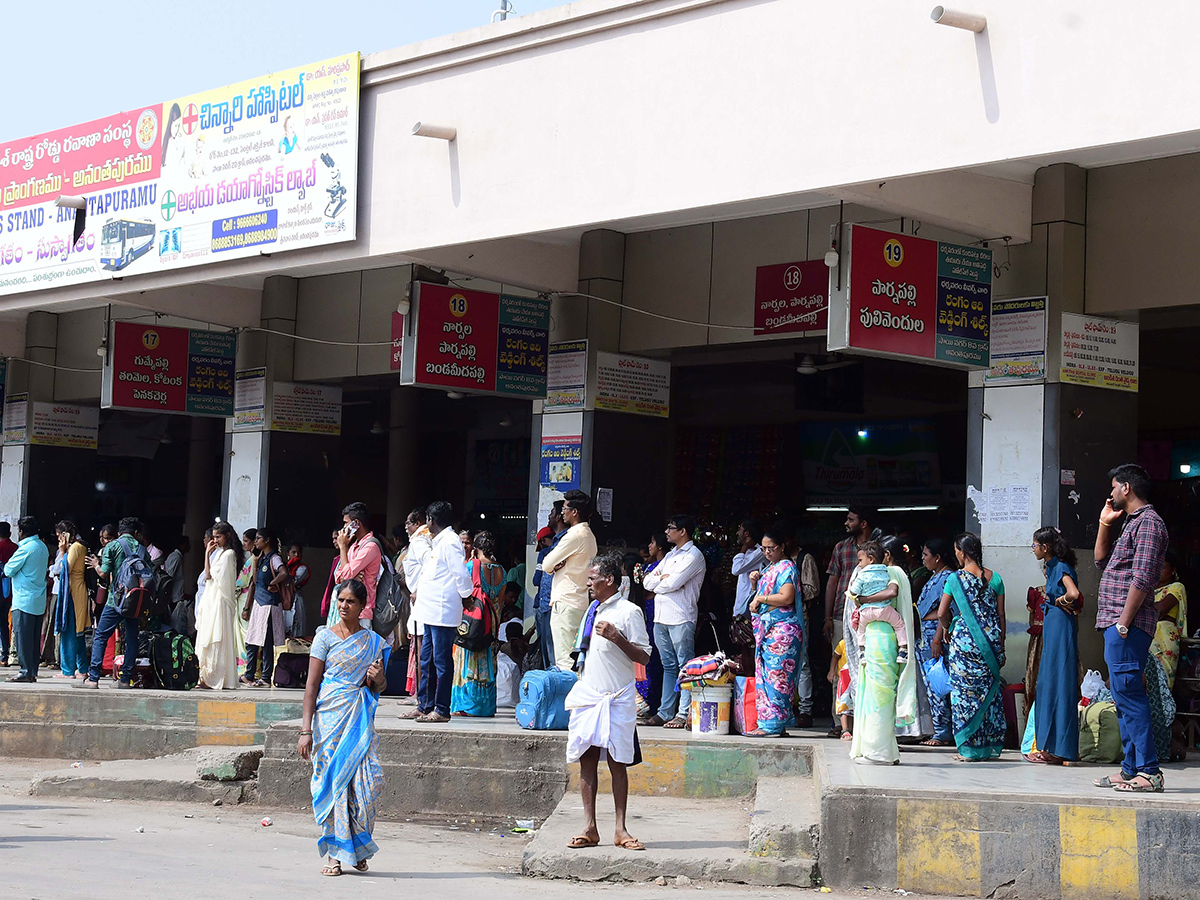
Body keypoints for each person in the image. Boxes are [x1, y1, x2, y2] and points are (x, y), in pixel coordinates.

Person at [297, 578, 389, 877]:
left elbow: (382, 686)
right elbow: (312, 686)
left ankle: (358, 849)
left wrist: (377, 678)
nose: (344, 606)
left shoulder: (373, 642)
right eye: (340, 600)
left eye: (350, 601)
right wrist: (305, 730)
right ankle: (335, 856)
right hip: (330, 720)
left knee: (367, 785)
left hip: (359, 721)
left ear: (363, 606)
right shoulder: (324, 637)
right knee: (334, 785)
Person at [564, 553, 650, 852]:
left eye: (592, 578)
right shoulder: (593, 609)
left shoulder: (629, 612)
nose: (588, 583)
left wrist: (618, 638)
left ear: (609, 580)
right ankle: (589, 827)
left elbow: (645, 656)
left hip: (616, 696)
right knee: (586, 761)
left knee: (618, 763)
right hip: (589, 693)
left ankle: (620, 829)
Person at [1092, 463, 1170, 794]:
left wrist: (1123, 623)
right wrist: (1103, 524)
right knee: (1122, 696)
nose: (1110, 494)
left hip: (1128, 623)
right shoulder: (1129, 524)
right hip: (1115, 621)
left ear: (1126, 488)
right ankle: (1129, 769)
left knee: (1131, 696)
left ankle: (1150, 771)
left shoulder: (1149, 524)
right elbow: (1100, 560)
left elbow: (1143, 578)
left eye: (1113, 487)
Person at [933, 533, 1006, 762]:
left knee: (965, 695)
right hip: (991, 644)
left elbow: (942, 613)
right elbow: (1000, 615)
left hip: (965, 643)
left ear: (962, 552)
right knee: (989, 695)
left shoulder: (955, 579)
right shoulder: (996, 578)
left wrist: (946, 628)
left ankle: (968, 750)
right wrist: (1000, 642)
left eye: (956, 550)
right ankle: (988, 746)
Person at [849, 535, 918, 764]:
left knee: (878, 695)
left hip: (879, 639)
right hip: (886, 638)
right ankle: (888, 750)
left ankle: (878, 753)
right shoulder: (897, 575)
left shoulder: (892, 573)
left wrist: (864, 599)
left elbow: (884, 596)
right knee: (883, 693)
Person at [403, 501, 471, 723]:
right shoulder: (439, 541)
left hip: (442, 610)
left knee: (441, 662)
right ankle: (425, 705)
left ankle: (442, 709)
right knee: (427, 661)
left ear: (432, 520)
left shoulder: (450, 541)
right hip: (429, 609)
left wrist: (466, 595)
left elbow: (460, 574)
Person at [641, 513, 706, 729]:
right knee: (669, 665)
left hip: (681, 616)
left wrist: (661, 581)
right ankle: (665, 712)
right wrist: (662, 580)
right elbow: (647, 581)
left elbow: (674, 583)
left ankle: (683, 712)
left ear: (683, 531)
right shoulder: (670, 555)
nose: (667, 532)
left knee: (684, 666)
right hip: (661, 616)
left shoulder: (693, 555)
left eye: (671, 528)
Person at [1027, 526, 1081, 764]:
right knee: (1050, 683)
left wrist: (1060, 600)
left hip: (1060, 625)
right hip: (1055, 625)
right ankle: (1052, 747)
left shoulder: (1060, 566)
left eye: (1035, 545)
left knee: (1057, 683)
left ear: (1045, 547)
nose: (1033, 549)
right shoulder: (1052, 566)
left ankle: (1056, 749)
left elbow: (1074, 593)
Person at [744, 525, 802, 737]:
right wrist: (754, 586)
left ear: (782, 547)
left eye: (772, 548)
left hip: (782, 631)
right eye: (764, 548)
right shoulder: (770, 569)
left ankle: (772, 725)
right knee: (769, 676)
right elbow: (761, 600)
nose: (767, 552)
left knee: (778, 677)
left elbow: (786, 597)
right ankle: (776, 723)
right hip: (769, 631)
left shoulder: (787, 567)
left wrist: (760, 597)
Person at [77, 518, 145, 689]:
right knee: (132, 638)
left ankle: (93, 678)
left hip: (115, 600)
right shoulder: (142, 548)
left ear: (120, 532)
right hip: (135, 600)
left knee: (100, 636)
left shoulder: (112, 546)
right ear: (136, 533)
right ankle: (125, 679)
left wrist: (96, 564)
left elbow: (104, 574)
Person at [825, 506, 875, 737]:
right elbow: (832, 583)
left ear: (863, 523)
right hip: (840, 615)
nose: (846, 523)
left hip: (871, 617)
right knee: (842, 668)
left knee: (869, 666)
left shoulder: (878, 548)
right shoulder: (841, 548)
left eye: (850, 519)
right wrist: (827, 616)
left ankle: (867, 719)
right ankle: (841, 722)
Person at [540, 490, 598, 670]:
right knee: (577, 659)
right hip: (579, 600)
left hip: (566, 601)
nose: (562, 512)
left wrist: (557, 565)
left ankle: (567, 698)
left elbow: (547, 564)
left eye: (565, 508)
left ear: (575, 512)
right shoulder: (589, 535)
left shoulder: (574, 535)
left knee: (564, 661)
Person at [451, 530, 505, 717]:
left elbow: (461, 591)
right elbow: (500, 601)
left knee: (467, 659)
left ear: (475, 549)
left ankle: (467, 706)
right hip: (491, 622)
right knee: (488, 663)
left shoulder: (472, 565)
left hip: (473, 621)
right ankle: (486, 706)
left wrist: (470, 561)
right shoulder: (501, 570)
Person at [914, 539, 957, 747]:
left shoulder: (947, 577)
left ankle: (942, 731)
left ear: (937, 557)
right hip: (926, 637)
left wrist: (938, 638)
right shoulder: (935, 577)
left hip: (934, 638)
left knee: (937, 682)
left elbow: (945, 611)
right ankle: (938, 729)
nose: (922, 559)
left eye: (925, 555)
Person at [197, 523, 243, 690]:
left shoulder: (229, 554)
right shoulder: (218, 553)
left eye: (219, 537)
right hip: (211, 599)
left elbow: (220, 581)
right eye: (214, 537)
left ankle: (216, 676)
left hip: (220, 600)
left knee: (218, 636)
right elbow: (207, 575)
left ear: (227, 536)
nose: (215, 540)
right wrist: (207, 553)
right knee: (207, 636)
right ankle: (205, 676)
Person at [3, 517, 49, 683]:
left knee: (22, 637)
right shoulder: (42, 547)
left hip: (23, 600)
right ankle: (32, 671)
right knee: (34, 639)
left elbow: (8, 570)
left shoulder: (25, 549)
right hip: (38, 599)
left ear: (21, 532)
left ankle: (24, 671)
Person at [849, 542, 909, 664]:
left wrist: (862, 599)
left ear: (870, 559)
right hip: (885, 610)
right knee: (899, 625)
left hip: (866, 612)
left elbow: (853, 591)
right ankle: (903, 650)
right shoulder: (886, 571)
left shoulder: (862, 574)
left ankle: (861, 652)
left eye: (860, 561)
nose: (859, 564)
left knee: (860, 631)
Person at [242, 528, 288, 688]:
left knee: (267, 641)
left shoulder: (274, 558)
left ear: (267, 540)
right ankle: (250, 674)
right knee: (253, 639)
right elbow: (255, 582)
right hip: (259, 603)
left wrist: (273, 583)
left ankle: (266, 677)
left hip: (269, 604)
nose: (256, 541)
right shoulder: (261, 558)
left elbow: (283, 572)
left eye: (258, 538)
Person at [335, 502, 383, 629]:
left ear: (356, 523)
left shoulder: (370, 546)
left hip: (362, 612)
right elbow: (338, 577)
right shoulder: (354, 546)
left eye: (346, 523)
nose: (343, 527)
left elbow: (345, 576)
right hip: (347, 611)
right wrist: (349, 577)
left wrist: (343, 547)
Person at [532, 500, 566, 668]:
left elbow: (536, 580)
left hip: (553, 605)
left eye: (552, 512)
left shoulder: (561, 544)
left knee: (552, 654)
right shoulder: (557, 544)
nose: (549, 515)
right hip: (547, 604)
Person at [53, 521, 89, 679]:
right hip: (76, 591)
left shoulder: (75, 548)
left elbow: (63, 569)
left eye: (59, 536)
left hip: (72, 593)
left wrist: (62, 552)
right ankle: (82, 669)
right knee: (77, 633)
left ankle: (67, 670)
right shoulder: (80, 546)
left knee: (68, 631)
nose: (59, 540)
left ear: (65, 535)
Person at [1150, 550, 1187, 690]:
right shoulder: (1147, 590)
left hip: (1164, 640)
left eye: (1163, 567)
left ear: (1173, 570)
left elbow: (1159, 611)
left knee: (1162, 683)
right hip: (1147, 638)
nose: (1158, 571)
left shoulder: (1176, 587)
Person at [0, 522, 17, 666]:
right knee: (5, 623)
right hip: (11, 591)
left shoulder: (0, 547)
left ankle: (3, 654)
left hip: (1, 589)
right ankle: (5, 655)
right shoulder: (15, 548)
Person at [828, 638, 852, 740]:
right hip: (843, 679)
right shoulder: (843, 642)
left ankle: (851, 730)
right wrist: (831, 671)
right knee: (843, 705)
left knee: (853, 707)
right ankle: (843, 728)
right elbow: (835, 657)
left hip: (857, 679)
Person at [286, 543, 311, 639]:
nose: (296, 555)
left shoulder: (302, 569)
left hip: (295, 600)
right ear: (288, 554)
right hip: (284, 600)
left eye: (298, 553)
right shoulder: (283, 567)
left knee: (296, 629)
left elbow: (291, 582)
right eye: (293, 552)